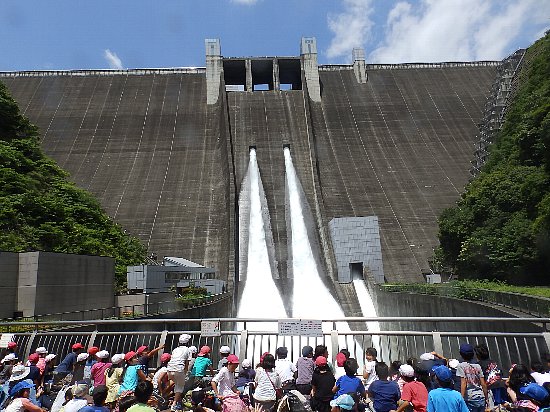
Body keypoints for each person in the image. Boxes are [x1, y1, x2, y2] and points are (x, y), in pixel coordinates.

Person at [455, 343, 487, 412]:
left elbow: (463, 383)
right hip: (481, 397)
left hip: (470, 398)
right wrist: (486, 397)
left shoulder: (461, 366)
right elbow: (483, 384)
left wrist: (461, 399)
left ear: (461, 354)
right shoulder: (478, 366)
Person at [167, 334, 192, 412]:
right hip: (179, 369)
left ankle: (169, 398)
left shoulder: (175, 349)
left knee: (175, 384)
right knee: (180, 387)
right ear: (188, 342)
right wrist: (185, 372)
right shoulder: (188, 350)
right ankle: (174, 404)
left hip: (170, 369)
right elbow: (187, 363)